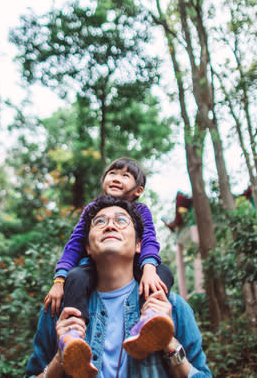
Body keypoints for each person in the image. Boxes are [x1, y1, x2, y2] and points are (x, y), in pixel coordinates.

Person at [26, 195, 213, 378]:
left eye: (121, 220)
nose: (110, 225)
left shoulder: (172, 307)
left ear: (139, 245)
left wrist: (169, 343)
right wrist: (61, 358)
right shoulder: (60, 310)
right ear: (88, 248)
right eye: (99, 222)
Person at [44, 158, 175, 377]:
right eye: (112, 173)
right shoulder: (91, 211)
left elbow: (150, 240)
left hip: (137, 267)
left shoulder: (141, 211)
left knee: (163, 272)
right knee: (76, 276)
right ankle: (73, 337)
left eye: (125, 176)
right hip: (93, 270)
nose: (116, 178)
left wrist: (149, 267)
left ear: (138, 190)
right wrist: (59, 280)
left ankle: (150, 320)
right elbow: (73, 246)